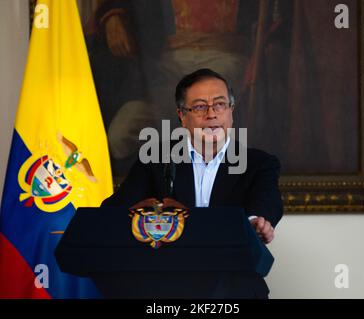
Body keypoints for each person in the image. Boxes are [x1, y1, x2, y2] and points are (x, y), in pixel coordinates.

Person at [101, 68, 283, 297]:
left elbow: (268, 201)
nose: (211, 114)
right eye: (199, 107)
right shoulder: (156, 159)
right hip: (166, 290)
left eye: (219, 104)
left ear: (231, 112)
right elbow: (115, 211)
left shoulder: (259, 163)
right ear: (182, 116)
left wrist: (257, 221)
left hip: (234, 289)